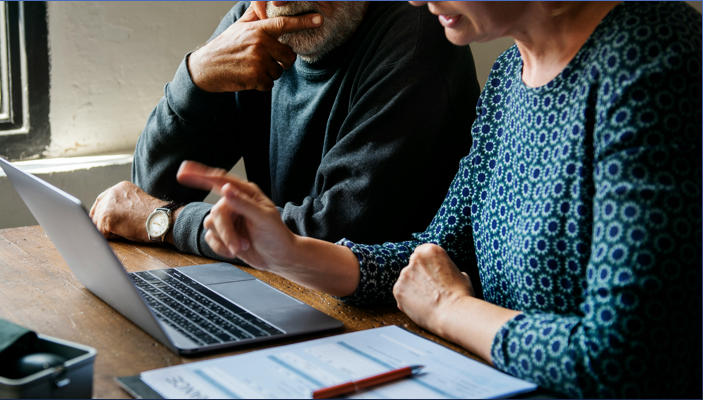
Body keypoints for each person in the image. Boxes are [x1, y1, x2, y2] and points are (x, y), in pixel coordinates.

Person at [176, 1, 702, 397]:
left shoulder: (654, 57)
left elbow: (627, 357)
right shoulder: (509, 76)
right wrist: (286, 252)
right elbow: (437, 252)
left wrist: (452, 309)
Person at [88, 1, 479, 262]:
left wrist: (166, 223)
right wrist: (194, 79)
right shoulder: (257, 17)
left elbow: (335, 237)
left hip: (385, 313)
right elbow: (157, 188)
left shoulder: (418, 40)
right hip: (282, 283)